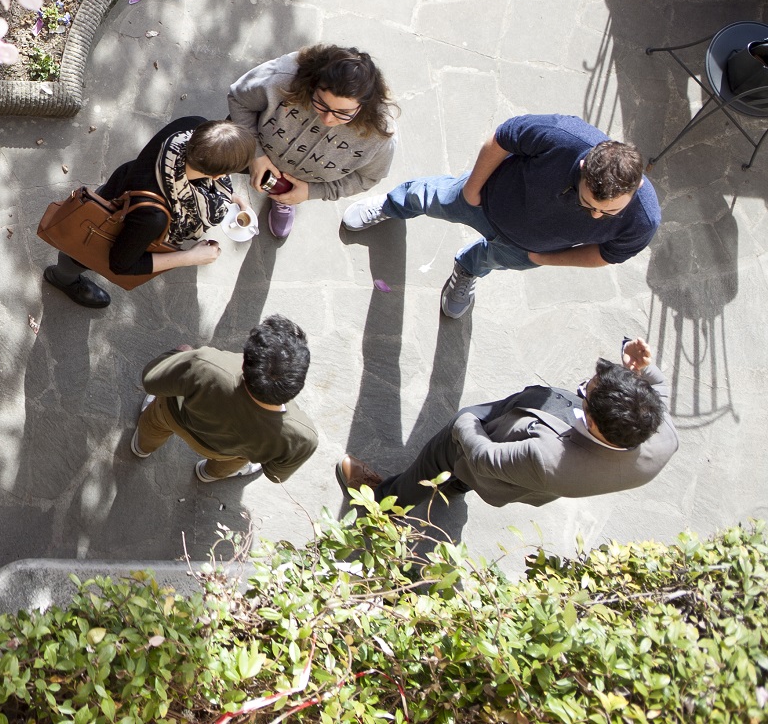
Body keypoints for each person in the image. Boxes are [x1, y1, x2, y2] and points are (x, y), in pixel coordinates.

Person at [341, 114, 659, 319]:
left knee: (486, 261)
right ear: (581, 169)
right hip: (484, 199)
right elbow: (501, 139)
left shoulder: (643, 221)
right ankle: (390, 205)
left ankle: (466, 270)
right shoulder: (561, 134)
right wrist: (472, 190)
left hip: (528, 249)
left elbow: (605, 255)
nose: (595, 215)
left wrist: (545, 259)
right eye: (588, 203)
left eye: (609, 212)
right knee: (425, 197)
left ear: (638, 185)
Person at [337, 338, 676, 517]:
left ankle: (384, 502)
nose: (585, 384)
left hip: (492, 449)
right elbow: (656, 393)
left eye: (587, 390)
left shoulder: (548, 457)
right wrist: (643, 369)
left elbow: (484, 456)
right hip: (526, 474)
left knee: (443, 459)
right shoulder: (662, 437)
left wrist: (464, 420)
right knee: (462, 478)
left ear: (592, 421)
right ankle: (452, 488)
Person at [43, 116, 254, 309]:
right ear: (218, 175)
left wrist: (229, 198)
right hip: (113, 221)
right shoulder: (154, 218)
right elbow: (120, 265)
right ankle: (62, 278)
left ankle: (66, 270)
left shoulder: (189, 126)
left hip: (120, 190)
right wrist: (190, 257)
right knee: (81, 251)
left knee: (83, 240)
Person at [225, 44, 399, 240]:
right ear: (313, 83)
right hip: (248, 143)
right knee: (215, 162)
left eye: (343, 113)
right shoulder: (283, 77)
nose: (328, 119)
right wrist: (256, 154)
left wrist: (310, 191)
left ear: (364, 107)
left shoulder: (379, 136)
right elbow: (239, 99)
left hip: (301, 179)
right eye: (321, 104)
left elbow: (367, 178)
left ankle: (285, 197)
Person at [131, 315, 319, 484]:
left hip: (173, 416)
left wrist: (179, 354)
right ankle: (209, 474)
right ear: (297, 382)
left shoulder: (204, 365)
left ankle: (142, 447)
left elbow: (150, 379)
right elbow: (276, 474)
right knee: (234, 461)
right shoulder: (303, 436)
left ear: (245, 363)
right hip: (228, 453)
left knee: (155, 423)